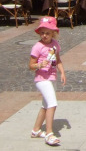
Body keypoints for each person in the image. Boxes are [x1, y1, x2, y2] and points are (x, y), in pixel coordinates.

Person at [30, 16, 66, 146]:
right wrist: (39, 65)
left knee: (45, 105)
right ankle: (49, 133)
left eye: (47, 33)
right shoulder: (37, 47)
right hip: (41, 79)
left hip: (51, 77)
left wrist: (62, 72)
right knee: (52, 103)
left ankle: (36, 130)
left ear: (53, 34)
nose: (44, 35)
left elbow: (58, 60)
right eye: (42, 33)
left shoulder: (55, 45)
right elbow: (30, 65)